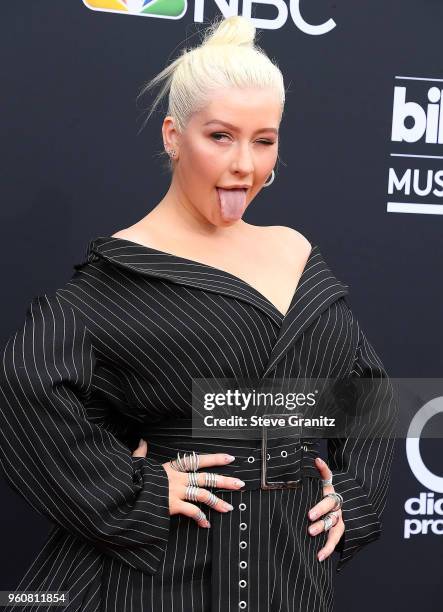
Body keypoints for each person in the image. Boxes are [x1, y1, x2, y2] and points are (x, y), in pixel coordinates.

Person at [0, 14, 397, 612]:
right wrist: (133, 489)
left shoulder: (295, 249)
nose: (245, 165)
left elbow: (367, 393)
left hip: (288, 569)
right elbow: (24, 390)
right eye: (220, 136)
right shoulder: (121, 272)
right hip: (168, 574)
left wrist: (353, 495)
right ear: (172, 135)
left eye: (264, 140)